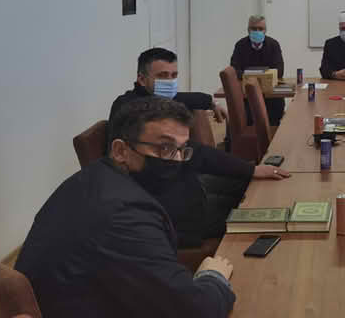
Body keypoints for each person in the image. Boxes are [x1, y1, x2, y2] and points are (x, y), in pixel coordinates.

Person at [16, 97, 237, 317]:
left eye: (181, 150)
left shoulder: (93, 178)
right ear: (120, 150)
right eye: (165, 148)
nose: (177, 161)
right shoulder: (125, 215)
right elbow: (196, 311)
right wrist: (213, 276)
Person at [109, 48, 290, 249]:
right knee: (255, 209)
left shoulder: (156, 103)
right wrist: (251, 169)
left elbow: (184, 102)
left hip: (186, 185)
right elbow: (197, 154)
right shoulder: (135, 112)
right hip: (172, 212)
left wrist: (251, 170)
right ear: (142, 79)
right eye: (162, 76)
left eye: (174, 75)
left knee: (250, 184)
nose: (170, 82)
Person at [229, 15, 286, 125]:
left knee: (276, 108)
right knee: (241, 113)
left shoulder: (273, 45)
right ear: (248, 30)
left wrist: (253, 75)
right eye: (254, 29)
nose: (257, 32)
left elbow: (280, 70)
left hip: (269, 93)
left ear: (265, 30)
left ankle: (272, 131)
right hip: (246, 93)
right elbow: (234, 69)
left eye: (260, 29)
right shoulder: (240, 45)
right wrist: (257, 77)